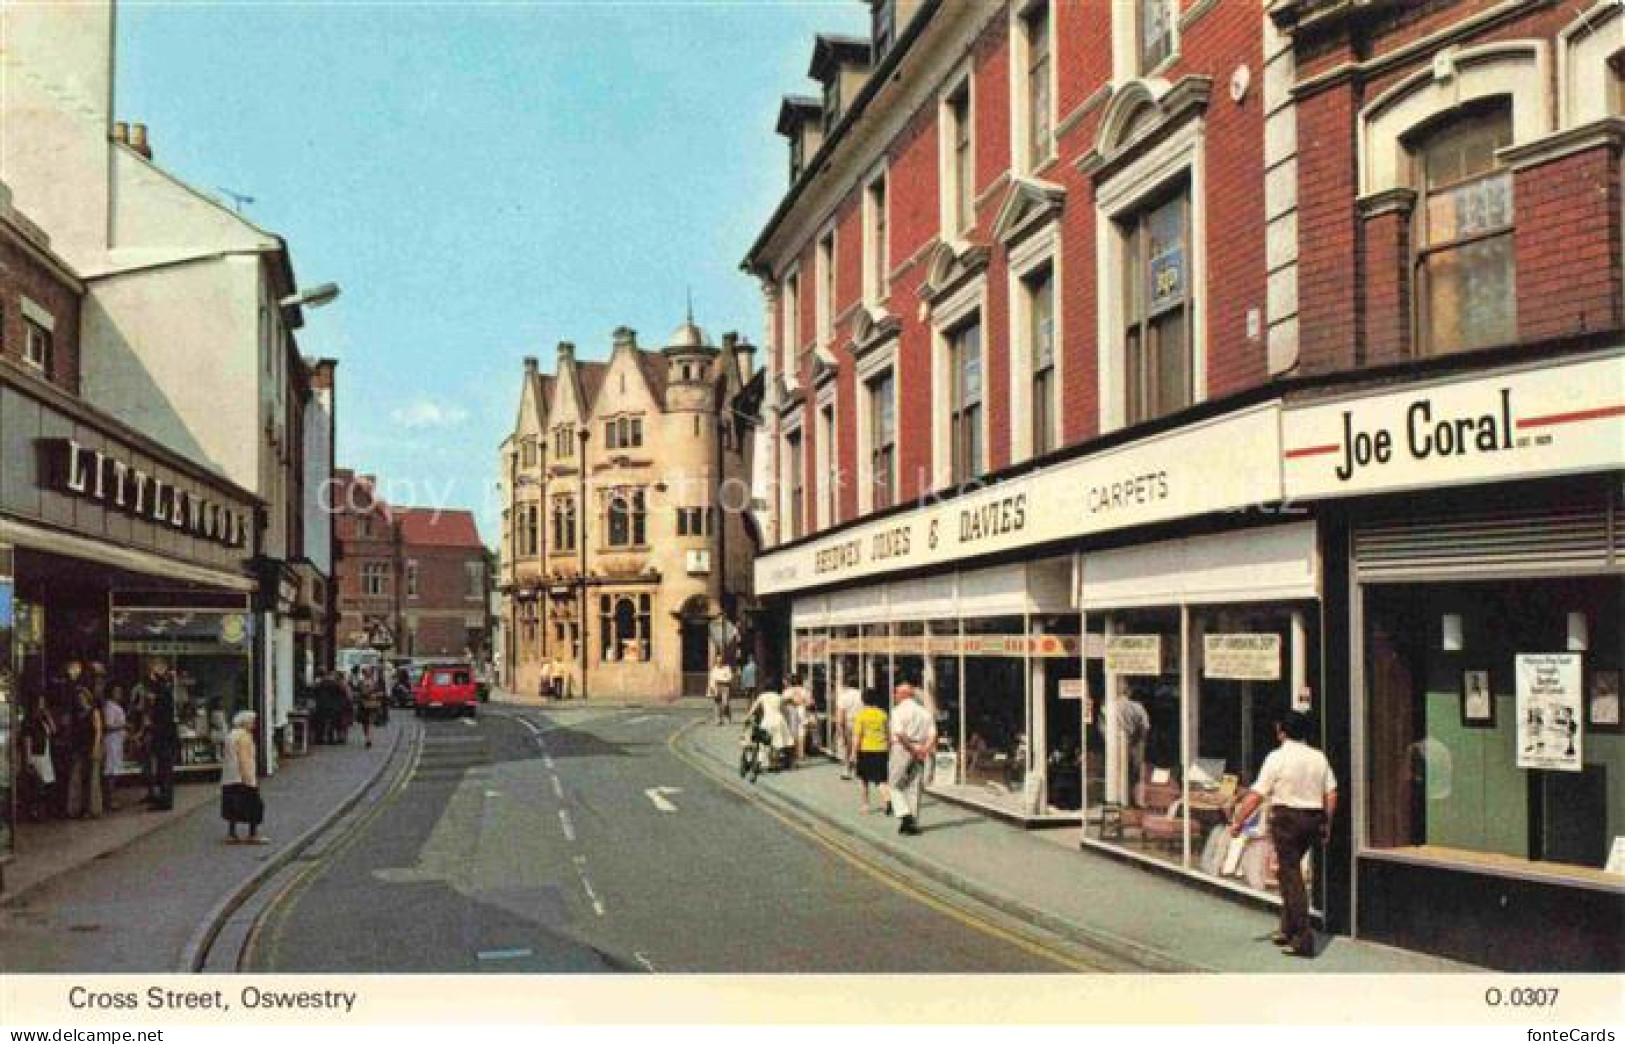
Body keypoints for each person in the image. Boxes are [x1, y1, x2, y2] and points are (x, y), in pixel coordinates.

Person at [1229, 711, 1338, 958]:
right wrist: (1326, 823)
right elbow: (1331, 793)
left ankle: (1303, 940)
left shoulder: (1276, 757)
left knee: (1291, 876)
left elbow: (1257, 794)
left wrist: (1238, 821)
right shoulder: (1319, 757)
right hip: (1313, 818)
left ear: (1282, 732)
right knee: (1286, 871)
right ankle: (1287, 929)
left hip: (1287, 819)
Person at [888, 681, 935, 836]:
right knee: (914, 786)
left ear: (903, 694)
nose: (894, 695)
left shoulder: (897, 711)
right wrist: (924, 750)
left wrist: (911, 749)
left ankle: (905, 815)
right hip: (921, 747)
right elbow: (933, 734)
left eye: (896, 692)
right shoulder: (925, 712)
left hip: (903, 748)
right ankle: (912, 824)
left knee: (894, 784)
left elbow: (900, 733)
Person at [220, 710, 267, 844]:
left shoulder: (231, 735)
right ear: (245, 722)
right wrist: (250, 779)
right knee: (254, 805)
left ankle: (231, 834)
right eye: (252, 722)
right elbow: (244, 759)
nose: (254, 724)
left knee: (232, 807)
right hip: (242, 778)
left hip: (229, 777)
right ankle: (252, 835)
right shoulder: (244, 737)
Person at [65, 664, 104, 819]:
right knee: (78, 777)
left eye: (82, 698)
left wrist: (96, 747)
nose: (80, 700)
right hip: (79, 745)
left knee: (89, 777)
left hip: (89, 745)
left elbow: (98, 730)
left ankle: (88, 808)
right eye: (79, 698)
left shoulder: (93, 712)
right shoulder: (77, 714)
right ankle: (77, 807)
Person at [139, 659, 179, 812]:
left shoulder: (162, 693)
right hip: (164, 736)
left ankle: (165, 799)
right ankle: (163, 796)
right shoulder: (164, 692)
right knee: (163, 768)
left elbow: (161, 716)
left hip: (164, 736)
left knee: (165, 768)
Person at [852, 688, 890, 813]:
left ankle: (865, 806)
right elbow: (888, 733)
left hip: (865, 750)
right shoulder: (883, 714)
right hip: (881, 749)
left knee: (863, 779)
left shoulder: (861, 716)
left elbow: (857, 736)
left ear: (863, 700)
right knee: (881, 779)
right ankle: (886, 800)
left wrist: (853, 753)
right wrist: (889, 748)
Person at [747, 682, 794, 770]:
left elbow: (754, 708)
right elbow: (784, 711)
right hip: (778, 720)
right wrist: (787, 720)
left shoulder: (762, 696)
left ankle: (765, 762)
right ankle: (774, 764)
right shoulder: (779, 697)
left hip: (767, 721)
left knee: (765, 743)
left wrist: (748, 717)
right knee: (778, 743)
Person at [101, 684, 128, 812]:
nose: (119, 694)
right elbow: (108, 725)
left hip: (118, 742)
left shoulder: (117, 707)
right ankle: (109, 799)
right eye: (116, 691)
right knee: (110, 771)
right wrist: (123, 726)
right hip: (112, 742)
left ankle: (112, 798)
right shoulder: (110, 707)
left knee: (115, 771)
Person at [835, 683, 863, 780]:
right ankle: (858, 769)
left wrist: (840, 728)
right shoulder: (861, 694)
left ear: (845, 686)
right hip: (860, 722)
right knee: (859, 746)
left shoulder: (843, 696)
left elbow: (841, 714)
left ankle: (847, 770)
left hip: (848, 723)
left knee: (847, 747)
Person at [782, 672, 809, 767]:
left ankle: (792, 755)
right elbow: (809, 702)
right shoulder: (804, 690)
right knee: (802, 733)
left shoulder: (787, 691)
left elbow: (783, 702)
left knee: (792, 733)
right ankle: (801, 754)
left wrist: (792, 701)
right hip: (802, 711)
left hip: (791, 712)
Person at [710, 659, 734, 726]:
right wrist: (712, 688)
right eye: (718, 661)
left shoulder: (726, 668)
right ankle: (718, 719)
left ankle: (727, 718)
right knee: (717, 704)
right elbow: (712, 679)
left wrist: (722, 680)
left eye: (720, 661)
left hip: (725, 686)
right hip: (717, 687)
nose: (719, 662)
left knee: (725, 703)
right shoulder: (714, 669)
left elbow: (730, 678)